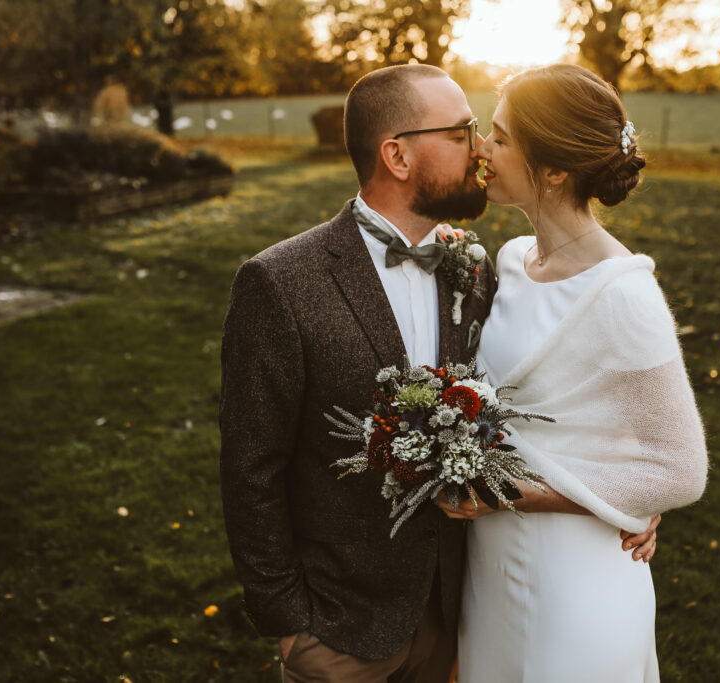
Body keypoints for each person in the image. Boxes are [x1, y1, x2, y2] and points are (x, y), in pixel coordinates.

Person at [220, 64, 659, 683]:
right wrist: (289, 621)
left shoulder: (476, 269)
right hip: (338, 629)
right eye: (460, 133)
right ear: (397, 156)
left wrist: (630, 492)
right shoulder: (281, 283)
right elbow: (250, 468)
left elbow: (561, 390)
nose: (479, 149)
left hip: (463, 614)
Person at [436, 64, 709, 681]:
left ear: (554, 171)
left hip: (574, 579)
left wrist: (516, 495)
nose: (481, 146)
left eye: (501, 138)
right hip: (494, 570)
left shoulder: (624, 296)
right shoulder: (510, 261)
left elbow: (680, 470)